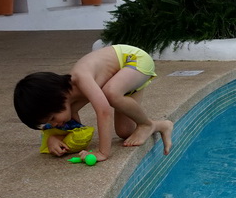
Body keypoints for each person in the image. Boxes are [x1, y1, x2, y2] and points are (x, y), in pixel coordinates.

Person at [13, 44, 173, 163]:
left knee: (110, 93)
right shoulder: (67, 105)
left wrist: (102, 152)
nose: (55, 124)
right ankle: (161, 125)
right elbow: (77, 133)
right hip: (122, 79)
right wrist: (53, 139)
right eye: (49, 123)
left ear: (58, 98)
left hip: (133, 60)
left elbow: (104, 111)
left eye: (53, 118)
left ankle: (145, 124)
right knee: (125, 132)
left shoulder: (80, 78)